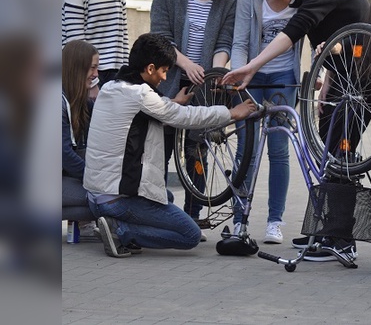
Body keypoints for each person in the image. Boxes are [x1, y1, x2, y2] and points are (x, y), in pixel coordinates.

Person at [220, 0, 369, 260]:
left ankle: (338, 240)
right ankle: (326, 233)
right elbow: (339, 33)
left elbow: (294, 31)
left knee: (339, 156)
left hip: (360, 82)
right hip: (345, 78)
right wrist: (329, 78)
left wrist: (252, 65)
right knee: (329, 156)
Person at [83, 33, 256, 258]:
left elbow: (141, 110)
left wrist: (172, 102)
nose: (165, 78)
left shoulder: (111, 87)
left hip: (95, 197)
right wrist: (231, 113)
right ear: (151, 68)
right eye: (164, 71)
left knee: (166, 197)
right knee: (189, 235)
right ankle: (121, 231)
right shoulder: (141, 94)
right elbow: (183, 117)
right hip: (116, 199)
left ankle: (115, 224)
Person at [150, 0, 237, 231]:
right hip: (169, 80)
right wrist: (186, 63)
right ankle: (158, 213)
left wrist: (215, 73)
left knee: (198, 149)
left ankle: (192, 216)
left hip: (204, 86)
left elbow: (225, 40)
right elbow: (159, 38)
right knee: (160, 148)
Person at [229, 0, 303, 244]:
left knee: (278, 149)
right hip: (251, 75)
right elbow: (238, 41)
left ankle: (275, 221)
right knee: (245, 147)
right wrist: (238, 74)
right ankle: (239, 218)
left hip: (284, 78)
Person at [62, 40, 100, 236]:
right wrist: (96, 180)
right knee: (105, 200)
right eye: (92, 68)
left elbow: (107, 119)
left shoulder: (80, 101)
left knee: (105, 202)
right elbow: (64, 154)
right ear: (77, 68)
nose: (96, 75)